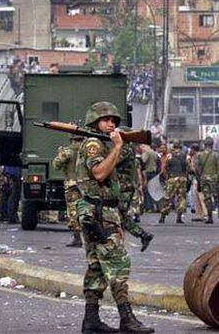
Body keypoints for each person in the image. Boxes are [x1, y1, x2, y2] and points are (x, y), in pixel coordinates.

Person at [76, 102, 154, 334]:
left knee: (97, 269)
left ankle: (91, 320)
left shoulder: (100, 143)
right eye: (106, 120)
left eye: (114, 120)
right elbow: (99, 173)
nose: (111, 123)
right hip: (100, 214)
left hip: (98, 212)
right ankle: (127, 319)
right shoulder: (94, 144)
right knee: (118, 265)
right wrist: (118, 146)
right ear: (94, 122)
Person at [116, 139, 153, 252]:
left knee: (118, 215)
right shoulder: (129, 150)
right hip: (125, 186)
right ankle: (142, 235)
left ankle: (139, 235)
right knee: (121, 216)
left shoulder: (124, 150)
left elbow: (114, 161)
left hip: (123, 187)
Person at [52, 138, 83, 247]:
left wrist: (60, 153)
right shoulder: (87, 149)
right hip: (86, 184)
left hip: (72, 184)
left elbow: (56, 165)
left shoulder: (67, 151)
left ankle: (77, 237)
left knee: (73, 210)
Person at [159, 141, 188, 224]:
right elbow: (188, 167)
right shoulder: (184, 155)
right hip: (182, 178)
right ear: (180, 147)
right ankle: (179, 217)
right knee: (181, 198)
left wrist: (165, 178)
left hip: (172, 179)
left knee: (168, 198)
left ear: (173, 147)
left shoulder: (169, 155)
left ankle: (162, 217)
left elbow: (165, 168)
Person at [197, 136, 219, 224]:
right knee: (217, 197)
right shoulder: (216, 155)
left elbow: (198, 169)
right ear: (212, 144)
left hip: (204, 178)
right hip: (215, 179)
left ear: (204, 144)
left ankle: (210, 217)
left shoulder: (200, 155)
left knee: (207, 198)